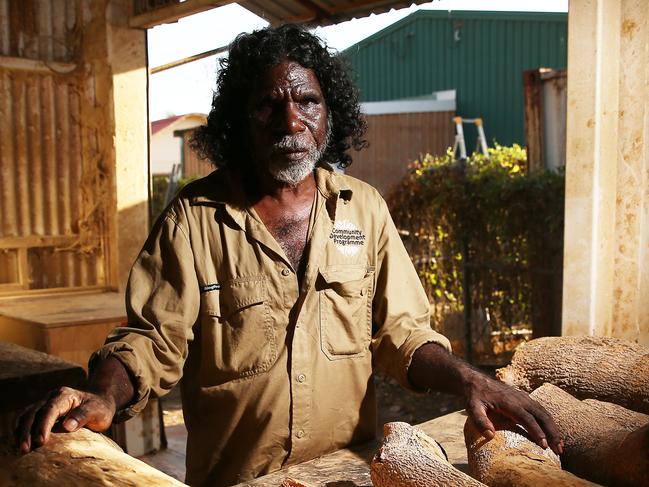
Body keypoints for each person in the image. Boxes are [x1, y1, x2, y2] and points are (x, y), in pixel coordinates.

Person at [16, 24, 562, 487]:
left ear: (331, 115)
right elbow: (150, 340)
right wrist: (104, 395)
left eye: (307, 101)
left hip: (346, 475)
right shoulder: (194, 218)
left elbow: (403, 332)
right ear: (238, 120)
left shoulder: (363, 209)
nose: (290, 121)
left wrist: (471, 379)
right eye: (267, 105)